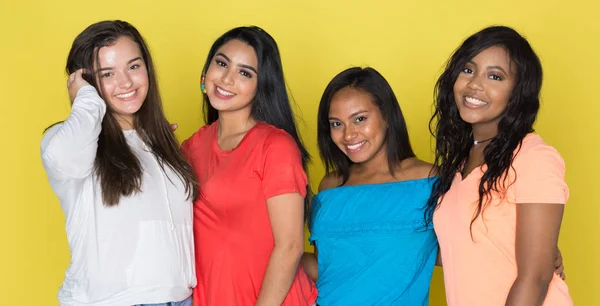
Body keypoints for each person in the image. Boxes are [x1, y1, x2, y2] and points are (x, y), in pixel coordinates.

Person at [40, 20, 198, 306]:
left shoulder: (162, 144)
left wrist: (156, 142)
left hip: (179, 299)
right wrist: (84, 96)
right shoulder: (65, 141)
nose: (125, 83)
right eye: (107, 73)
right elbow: (62, 156)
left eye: (134, 67)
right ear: (86, 80)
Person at [428, 25, 573, 305]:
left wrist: (542, 254)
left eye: (495, 76)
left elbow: (536, 277)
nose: (474, 85)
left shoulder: (533, 157)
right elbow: (463, 252)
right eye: (468, 70)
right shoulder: (458, 166)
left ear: (517, 93)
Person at [181, 26, 317, 306]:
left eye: (245, 73)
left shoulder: (275, 146)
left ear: (261, 86)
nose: (228, 79)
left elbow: (290, 247)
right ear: (205, 74)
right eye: (221, 63)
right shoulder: (191, 147)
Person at [301, 67, 438, 305]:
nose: (348, 135)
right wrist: (282, 252)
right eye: (336, 124)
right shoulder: (330, 186)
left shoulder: (429, 180)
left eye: (360, 119)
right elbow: (327, 267)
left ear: (386, 115)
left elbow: (464, 253)